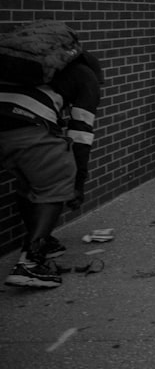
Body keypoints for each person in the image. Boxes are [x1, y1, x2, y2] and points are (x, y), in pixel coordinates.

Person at [1, 25, 102, 289]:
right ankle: (31, 262)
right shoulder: (86, 77)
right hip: (27, 125)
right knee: (57, 181)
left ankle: (44, 240)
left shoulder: (40, 67)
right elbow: (81, 134)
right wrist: (77, 182)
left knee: (31, 182)